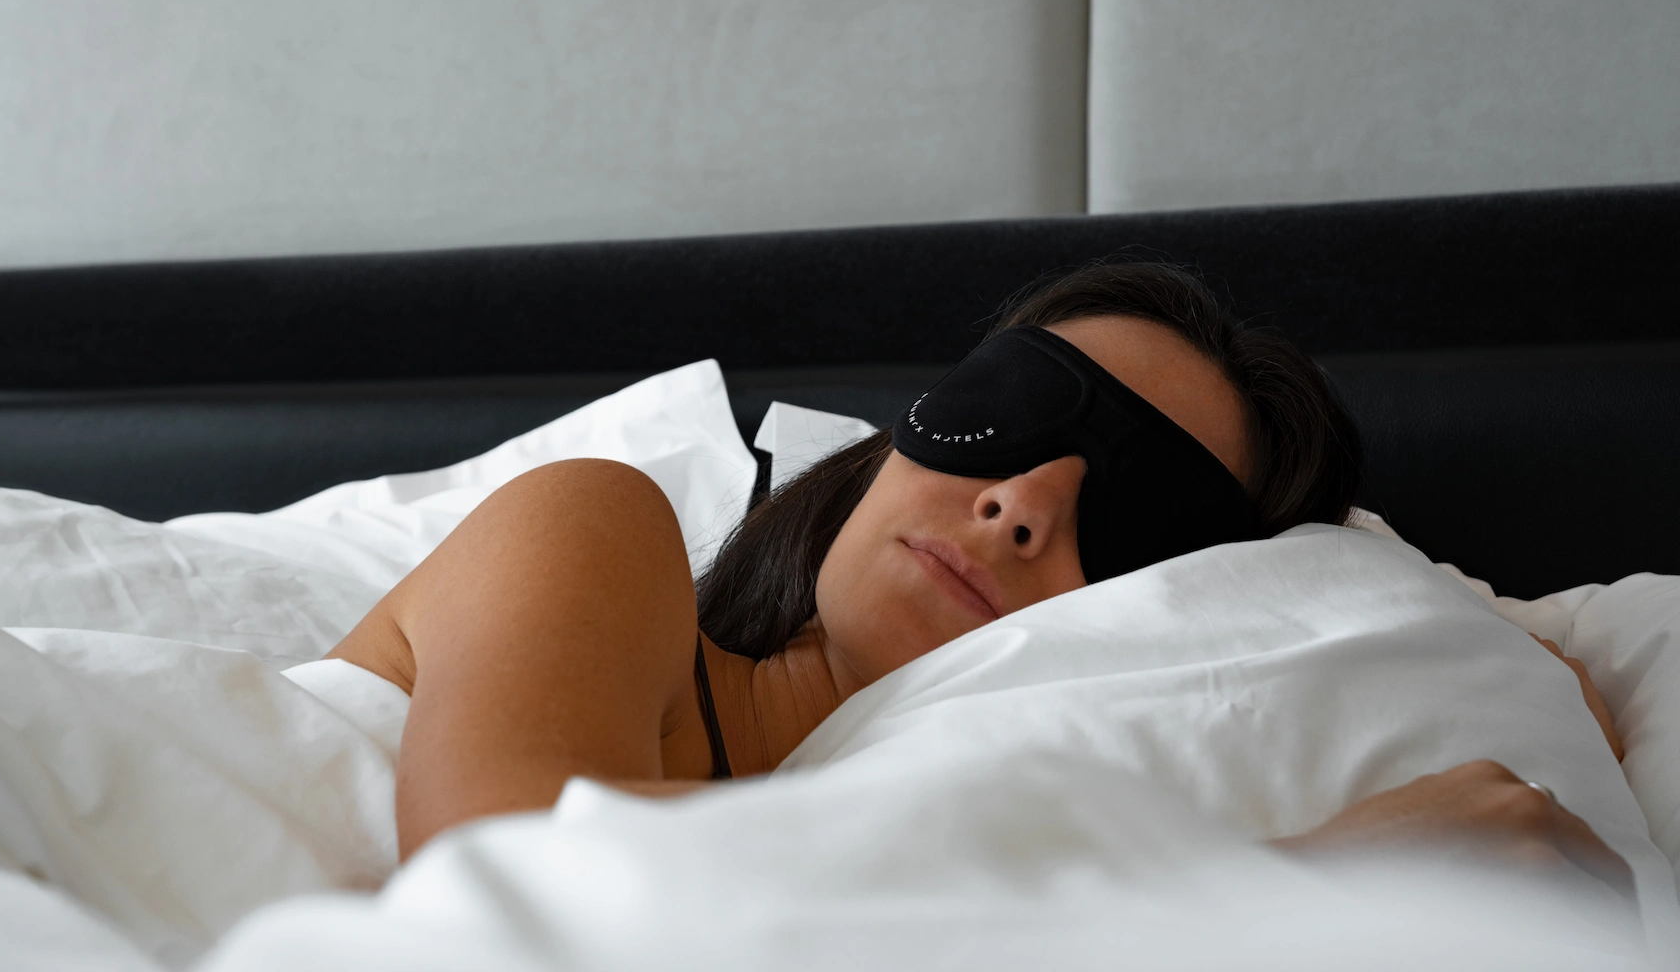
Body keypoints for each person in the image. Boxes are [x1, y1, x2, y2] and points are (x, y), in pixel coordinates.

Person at [327, 260, 1632, 900]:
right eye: (1012, 411)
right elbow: (524, 904)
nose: (1024, 505)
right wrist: (1283, 884)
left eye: (1137, 508)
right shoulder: (599, 530)